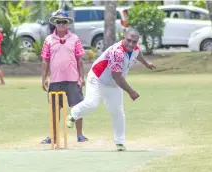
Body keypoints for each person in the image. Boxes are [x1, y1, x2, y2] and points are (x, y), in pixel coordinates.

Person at [65, 28, 156, 151]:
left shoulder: (135, 48)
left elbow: (137, 53)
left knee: (117, 111)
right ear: (123, 37)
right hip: (98, 78)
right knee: (92, 104)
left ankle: (120, 142)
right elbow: (117, 76)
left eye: (134, 42)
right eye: (128, 40)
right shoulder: (117, 52)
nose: (131, 44)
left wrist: (146, 63)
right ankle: (73, 114)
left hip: (114, 84)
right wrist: (131, 91)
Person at [40, 9, 88, 144]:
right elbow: (45, 60)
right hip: (55, 79)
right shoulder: (49, 40)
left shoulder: (74, 38)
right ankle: (53, 135)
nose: (61, 24)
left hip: (73, 78)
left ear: (68, 24)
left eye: (64, 22)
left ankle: (80, 135)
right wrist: (44, 78)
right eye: (59, 21)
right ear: (55, 23)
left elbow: (79, 59)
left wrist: (81, 77)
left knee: (78, 107)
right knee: (55, 109)